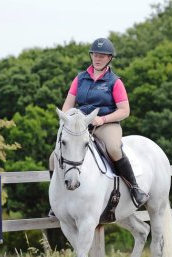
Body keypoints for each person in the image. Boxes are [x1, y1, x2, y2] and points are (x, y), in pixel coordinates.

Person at [49, 38, 149, 215]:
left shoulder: (115, 82)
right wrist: (70, 120)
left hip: (105, 124)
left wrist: (102, 120)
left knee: (113, 148)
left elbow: (124, 111)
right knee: (53, 157)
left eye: (102, 56)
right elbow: (67, 106)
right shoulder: (80, 78)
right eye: (95, 54)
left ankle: (135, 188)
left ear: (109, 58)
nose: (97, 58)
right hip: (80, 126)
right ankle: (56, 201)